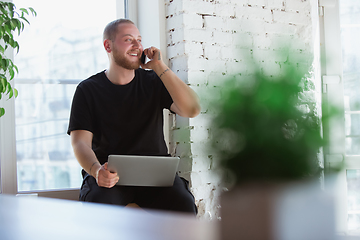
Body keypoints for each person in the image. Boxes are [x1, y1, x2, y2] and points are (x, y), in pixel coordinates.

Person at [67, 19, 200, 214]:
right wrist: (97, 171)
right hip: (109, 176)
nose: (137, 46)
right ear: (108, 45)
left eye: (139, 39)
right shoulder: (88, 90)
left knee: (184, 204)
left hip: (156, 177)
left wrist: (160, 67)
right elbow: (80, 143)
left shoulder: (154, 81)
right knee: (98, 205)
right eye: (129, 40)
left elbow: (192, 109)